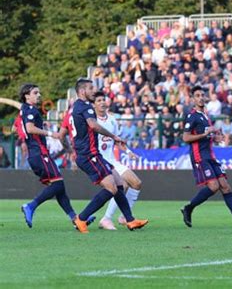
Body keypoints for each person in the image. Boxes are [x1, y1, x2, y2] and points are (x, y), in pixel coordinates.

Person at [68, 79, 148, 233]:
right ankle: (82, 218)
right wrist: (114, 136)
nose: (94, 90)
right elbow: (93, 125)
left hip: (92, 154)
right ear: (83, 91)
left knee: (118, 183)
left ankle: (130, 220)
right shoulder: (85, 107)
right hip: (89, 155)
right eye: (91, 88)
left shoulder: (77, 107)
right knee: (111, 188)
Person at [180, 86, 232, 229]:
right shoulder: (192, 116)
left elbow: (205, 135)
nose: (201, 97)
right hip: (199, 156)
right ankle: (189, 208)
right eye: (197, 95)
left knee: (225, 186)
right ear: (193, 99)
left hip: (210, 155)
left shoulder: (206, 116)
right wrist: (204, 135)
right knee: (214, 186)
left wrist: (213, 137)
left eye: (203, 95)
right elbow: (185, 137)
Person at [18, 84, 87, 229]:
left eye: (39, 92)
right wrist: (51, 134)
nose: (39, 95)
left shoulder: (24, 110)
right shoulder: (30, 109)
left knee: (59, 188)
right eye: (35, 93)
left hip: (36, 154)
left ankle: (76, 219)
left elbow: (20, 128)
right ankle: (30, 206)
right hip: (39, 153)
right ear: (27, 96)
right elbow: (30, 129)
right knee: (58, 184)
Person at [91, 91, 144, 231]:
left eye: (104, 100)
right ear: (93, 104)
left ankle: (122, 217)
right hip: (100, 161)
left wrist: (128, 152)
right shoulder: (91, 121)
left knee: (135, 184)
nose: (102, 102)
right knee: (124, 186)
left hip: (112, 160)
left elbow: (117, 140)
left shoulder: (112, 120)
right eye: (99, 100)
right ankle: (110, 219)